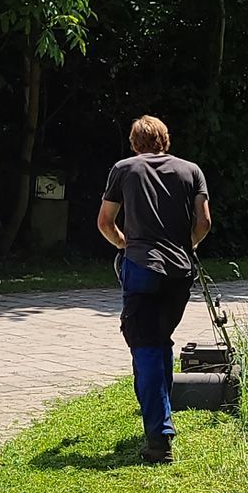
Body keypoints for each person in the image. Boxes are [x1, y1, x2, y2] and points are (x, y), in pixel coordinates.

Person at [97, 116, 212, 463]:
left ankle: (159, 439)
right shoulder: (192, 171)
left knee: (145, 346)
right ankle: (163, 419)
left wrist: (123, 244)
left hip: (141, 267)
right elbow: (204, 222)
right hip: (179, 271)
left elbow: (105, 222)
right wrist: (188, 245)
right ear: (166, 139)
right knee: (161, 340)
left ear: (134, 143)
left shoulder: (124, 169)